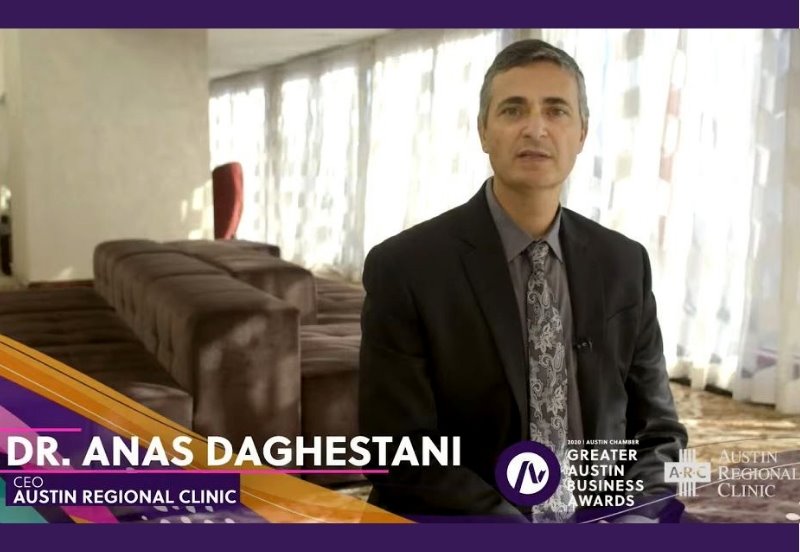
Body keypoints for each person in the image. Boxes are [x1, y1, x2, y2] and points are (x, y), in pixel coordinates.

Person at [358, 39, 688, 522]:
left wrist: (636, 517)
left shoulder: (623, 263)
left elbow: (659, 433)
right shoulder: (405, 266)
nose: (536, 128)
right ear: (483, 131)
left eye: (556, 110)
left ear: (582, 133)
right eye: (513, 110)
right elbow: (396, 449)